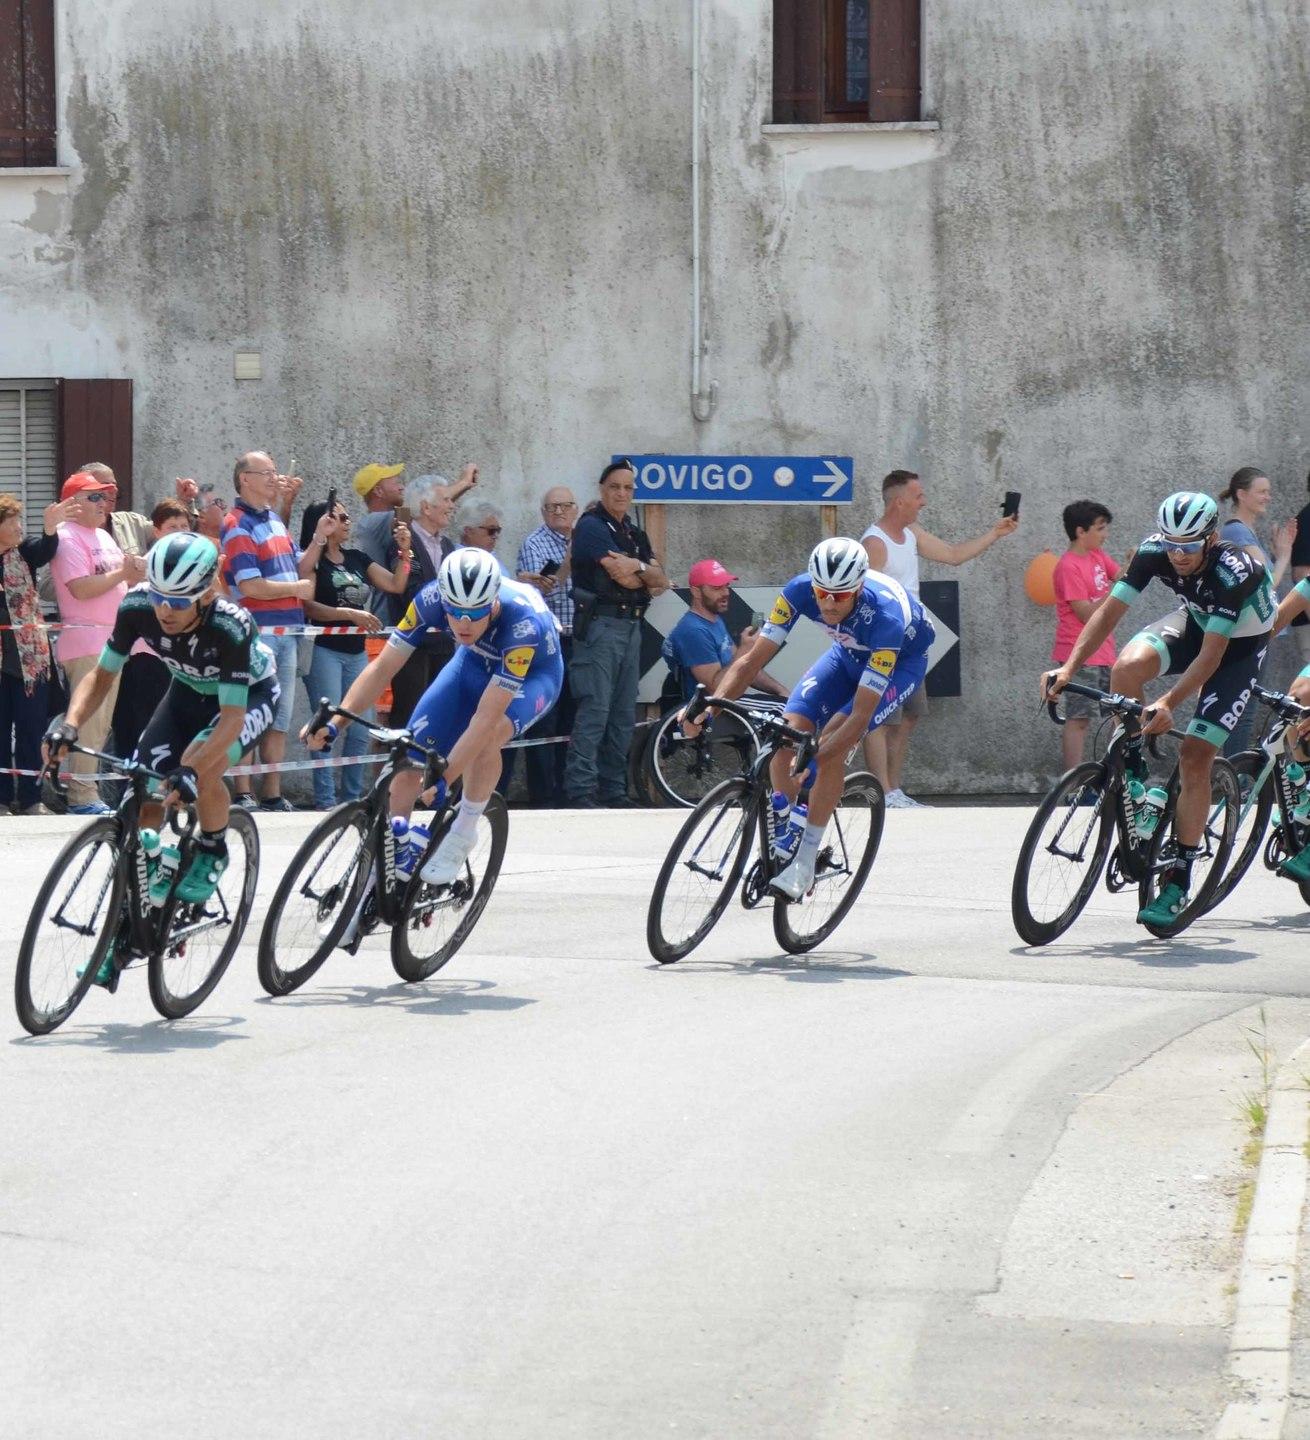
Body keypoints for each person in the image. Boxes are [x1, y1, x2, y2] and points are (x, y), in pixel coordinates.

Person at [43, 534, 281, 982]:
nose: (165, 611)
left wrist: (192, 771)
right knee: (145, 792)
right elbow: (101, 675)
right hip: (186, 693)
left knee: (199, 762)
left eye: (180, 600)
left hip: (246, 698)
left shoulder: (230, 625)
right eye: (159, 597)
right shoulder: (136, 607)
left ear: (206, 592)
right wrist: (69, 724)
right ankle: (135, 918)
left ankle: (211, 848)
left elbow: (231, 719)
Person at [1044, 492, 1275, 927]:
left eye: (1188, 546)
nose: (1178, 554)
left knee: (1195, 755)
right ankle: (1135, 785)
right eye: (1171, 544)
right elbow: (1109, 613)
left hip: (1239, 646)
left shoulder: (1232, 571)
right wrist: (1069, 666)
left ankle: (1179, 878)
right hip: (1196, 620)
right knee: (1126, 669)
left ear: (1210, 539)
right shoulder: (1156, 552)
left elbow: (1211, 659)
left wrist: (1169, 701)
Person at [683, 537, 934, 900]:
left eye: (841, 595)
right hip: (846, 655)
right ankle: (786, 820)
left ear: (859, 588)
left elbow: (861, 717)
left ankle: (805, 859)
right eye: (823, 593)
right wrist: (712, 708)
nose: (829, 603)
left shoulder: (885, 617)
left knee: (833, 740)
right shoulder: (799, 591)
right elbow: (751, 661)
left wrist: (816, 758)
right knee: (789, 729)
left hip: (900, 665)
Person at [304, 549, 562, 890]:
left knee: (488, 736)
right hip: (471, 663)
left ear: (493, 602)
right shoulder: (429, 599)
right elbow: (383, 668)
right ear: (444, 599)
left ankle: (463, 832)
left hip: (534, 676)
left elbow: (484, 719)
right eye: (455, 613)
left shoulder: (522, 625)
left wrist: (444, 778)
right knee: (411, 751)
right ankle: (392, 856)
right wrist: (337, 721)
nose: (463, 623)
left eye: (475, 613)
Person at [860, 469, 1018, 808]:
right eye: (918, 496)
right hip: (883, 644)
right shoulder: (874, 543)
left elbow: (953, 555)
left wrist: (995, 533)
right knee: (880, 717)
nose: (924, 502)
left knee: (911, 714)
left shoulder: (911, 533)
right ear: (900, 501)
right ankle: (881, 792)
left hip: (912, 643)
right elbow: (864, 601)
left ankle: (895, 790)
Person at [564, 459, 669, 806]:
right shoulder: (592, 527)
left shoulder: (634, 534)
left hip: (631, 627)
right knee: (595, 711)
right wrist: (642, 573)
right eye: (615, 487)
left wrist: (637, 567)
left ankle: (615, 790)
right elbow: (622, 578)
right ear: (602, 490)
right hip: (601, 628)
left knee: (624, 714)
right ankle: (581, 791)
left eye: (627, 488)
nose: (621, 493)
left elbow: (660, 582)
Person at [222, 451, 320, 812]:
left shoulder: (275, 522)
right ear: (244, 478)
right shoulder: (236, 523)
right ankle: (244, 790)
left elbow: (298, 566)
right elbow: (250, 586)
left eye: (275, 472)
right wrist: (296, 589)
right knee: (248, 712)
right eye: (266, 473)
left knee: (279, 716)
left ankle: (272, 792)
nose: (274, 479)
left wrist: (320, 538)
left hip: (288, 630)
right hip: (257, 633)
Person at [299, 497, 410, 809]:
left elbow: (395, 584)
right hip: (325, 651)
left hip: (356, 651)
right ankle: (325, 799)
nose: (348, 522)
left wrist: (404, 551)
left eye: (348, 517)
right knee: (326, 725)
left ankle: (351, 800)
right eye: (341, 517)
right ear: (324, 523)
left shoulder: (357, 558)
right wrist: (349, 614)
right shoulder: (314, 562)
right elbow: (309, 605)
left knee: (361, 728)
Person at [50, 470, 148, 813]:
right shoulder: (67, 537)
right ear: (72, 504)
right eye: (93, 497)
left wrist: (134, 574)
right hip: (86, 639)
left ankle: (83, 790)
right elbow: (80, 587)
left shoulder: (103, 537)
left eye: (104, 496)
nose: (102, 503)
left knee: (101, 723)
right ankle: (82, 797)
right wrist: (124, 573)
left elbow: (117, 582)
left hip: (109, 641)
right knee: (90, 721)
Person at [0, 493, 75, 816]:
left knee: (32, 732)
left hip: (29, 663)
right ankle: (2, 800)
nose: (19, 526)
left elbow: (47, 549)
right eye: (13, 520)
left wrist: (50, 528)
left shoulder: (24, 554)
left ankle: (32, 798)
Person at [1218, 467, 1297, 756]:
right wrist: (1285, 555)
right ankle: (1234, 778)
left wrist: (1276, 553)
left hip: (1254, 631)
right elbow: (1263, 586)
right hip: (1248, 633)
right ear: (1241, 494)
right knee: (1242, 710)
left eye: (1268, 490)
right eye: (1261, 491)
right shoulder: (1237, 533)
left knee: (1240, 708)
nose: (1268, 496)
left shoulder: (1245, 533)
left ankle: (1231, 777)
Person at [110, 499, 195, 764]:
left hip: (183, 656)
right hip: (147, 654)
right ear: (156, 531)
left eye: (184, 526)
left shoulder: (195, 562)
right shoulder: (146, 564)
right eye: (172, 527)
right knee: (143, 723)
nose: (179, 531)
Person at [516, 486, 579, 805]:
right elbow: (544, 594)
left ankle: (566, 790)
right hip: (547, 643)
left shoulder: (585, 541)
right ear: (542, 512)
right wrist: (568, 559)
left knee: (572, 717)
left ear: (575, 509)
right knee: (545, 719)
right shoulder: (535, 544)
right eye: (551, 507)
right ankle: (542, 795)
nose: (559, 512)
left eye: (565, 506)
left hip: (578, 640)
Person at [1050, 501, 1121, 771]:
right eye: (1100, 529)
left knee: (1113, 716)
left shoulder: (1098, 556)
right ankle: (1073, 784)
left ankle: (1111, 776)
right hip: (1078, 653)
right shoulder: (1068, 566)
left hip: (1104, 651)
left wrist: (1136, 562)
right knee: (1078, 718)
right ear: (1081, 531)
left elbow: (1121, 577)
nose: (1105, 534)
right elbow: (1086, 613)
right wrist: (1114, 594)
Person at [662, 557, 789, 702]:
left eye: (726, 586)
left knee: (788, 707)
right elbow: (715, 689)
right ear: (696, 592)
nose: (726, 592)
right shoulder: (693, 631)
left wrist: (781, 691)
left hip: (730, 702)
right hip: (710, 711)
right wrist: (745, 649)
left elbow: (743, 667)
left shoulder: (715, 620)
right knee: (787, 714)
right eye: (717, 588)